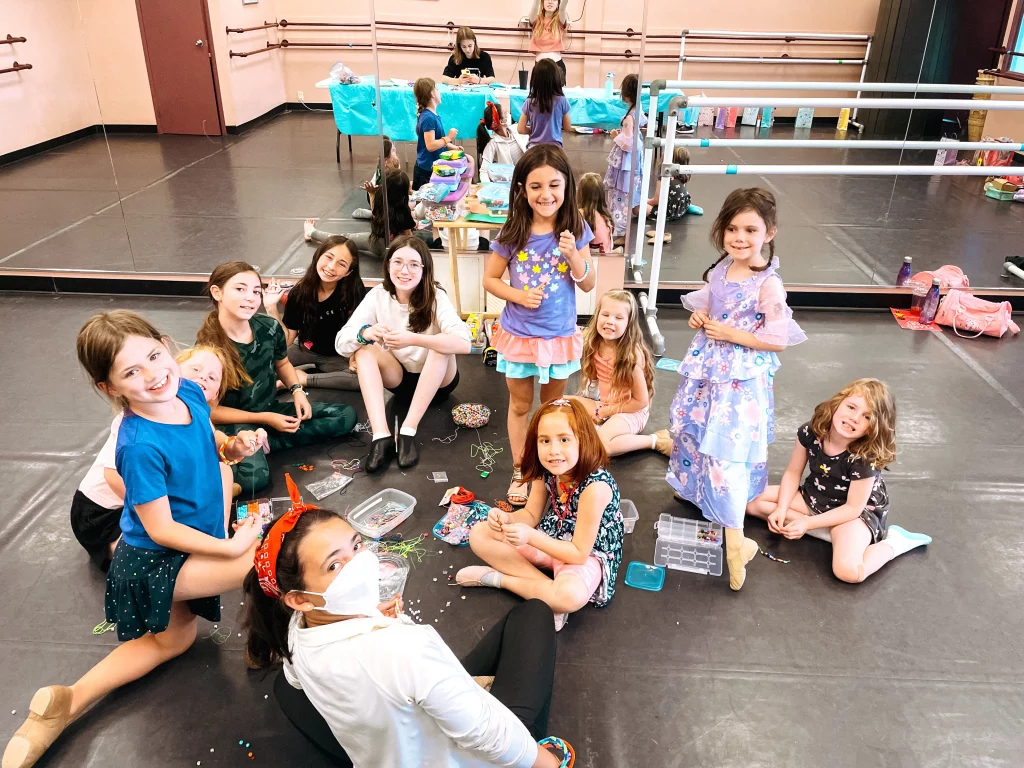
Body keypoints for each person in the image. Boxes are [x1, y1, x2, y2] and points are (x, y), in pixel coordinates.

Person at [3, 311, 266, 768]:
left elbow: (208, 442)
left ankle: (65, 702)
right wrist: (229, 546)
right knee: (262, 558)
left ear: (167, 346)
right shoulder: (139, 445)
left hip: (187, 541)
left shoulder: (186, 389)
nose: (153, 374)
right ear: (111, 388)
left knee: (172, 641)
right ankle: (276, 642)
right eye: (131, 372)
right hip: (155, 559)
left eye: (154, 356)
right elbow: (160, 529)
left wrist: (232, 447)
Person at [240, 497, 574, 768]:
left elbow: (302, 677)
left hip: (390, 751)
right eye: (335, 565)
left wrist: (366, 616)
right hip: (464, 754)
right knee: (535, 613)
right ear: (299, 598)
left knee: (287, 687)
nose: (360, 563)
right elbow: (489, 734)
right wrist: (541, 760)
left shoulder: (296, 632)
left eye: (356, 546)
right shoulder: (404, 649)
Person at [666, 188, 806, 591]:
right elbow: (711, 303)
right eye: (731, 228)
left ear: (770, 231)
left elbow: (778, 338)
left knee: (727, 445)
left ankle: (734, 537)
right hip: (711, 368)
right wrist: (703, 318)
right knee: (697, 431)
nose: (739, 237)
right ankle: (699, 492)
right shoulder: (723, 268)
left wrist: (730, 332)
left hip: (741, 381)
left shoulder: (769, 284)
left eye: (750, 229)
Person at [482, 144, 595, 505]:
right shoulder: (514, 231)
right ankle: (521, 469)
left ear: (567, 187)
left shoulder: (575, 228)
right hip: (519, 337)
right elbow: (490, 279)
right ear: (521, 189)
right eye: (535, 186)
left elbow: (589, 282)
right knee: (519, 405)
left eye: (554, 185)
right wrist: (518, 295)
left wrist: (574, 255)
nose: (545, 194)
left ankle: (552, 469)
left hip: (558, 337)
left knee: (553, 408)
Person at [458, 398, 623, 633]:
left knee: (569, 596)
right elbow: (531, 514)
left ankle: (498, 579)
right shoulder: (546, 471)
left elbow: (578, 553)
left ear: (583, 440)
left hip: (586, 553)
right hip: (551, 537)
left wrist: (530, 538)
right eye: (545, 440)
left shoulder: (595, 488)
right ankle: (547, 592)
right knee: (480, 532)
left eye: (564, 439)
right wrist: (508, 520)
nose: (553, 450)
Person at [746, 378, 931, 582]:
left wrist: (806, 523)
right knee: (751, 501)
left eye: (866, 417)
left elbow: (853, 508)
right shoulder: (811, 431)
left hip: (854, 514)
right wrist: (781, 509)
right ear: (837, 403)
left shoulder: (863, 457)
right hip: (815, 497)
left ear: (872, 428)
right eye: (851, 407)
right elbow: (792, 473)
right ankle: (827, 532)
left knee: (849, 572)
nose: (854, 418)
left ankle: (895, 543)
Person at [197, 262, 357, 493]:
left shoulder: (268, 327)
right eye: (240, 289)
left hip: (270, 409)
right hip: (235, 423)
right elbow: (211, 411)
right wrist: (267, 418)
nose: (251, 298)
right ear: (217, 292)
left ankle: (266, 443)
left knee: (345, 416)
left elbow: (282, 362)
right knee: (255, 480)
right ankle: (254, 446)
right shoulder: (208, 351)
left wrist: (297, 391)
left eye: (255, 291)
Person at [336, 236, 471, 473]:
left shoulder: (436, 296)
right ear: (388, 265)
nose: (404, 270)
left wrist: (414, 339)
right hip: (399, 380)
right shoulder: (378, 294)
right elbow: (341, 343)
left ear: (424, 269)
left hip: (440, 381)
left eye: (413, 264)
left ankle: (408, 430)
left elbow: (464, 342)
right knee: (364, 349)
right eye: (397, 262)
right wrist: (365, 333)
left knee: (441, 344)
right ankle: (381, 436)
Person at [571, 290, 671, 457]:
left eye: (618, 318)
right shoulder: (595, 343)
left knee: (603, 446)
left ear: (628, 324)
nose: (610, 321)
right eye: (605, 314)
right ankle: (601, 429)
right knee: (561, 404)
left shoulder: (631, 357)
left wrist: (607, 412)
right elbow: (596, 378)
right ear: (597, 316)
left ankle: (655, 440)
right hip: (606, 406)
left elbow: (641, 401)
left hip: (631, 411)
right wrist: (597, 408)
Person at [263, 236, 367, 391]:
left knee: (363, 379)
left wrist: (354, 356)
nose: (331, 267)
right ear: (318, 256)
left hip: (337, 356)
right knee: (261, 365)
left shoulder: (354, 291)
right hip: (304, 348)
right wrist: (271, 308)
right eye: (329, 257)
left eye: (341, 264)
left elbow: (359, 329)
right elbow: (288, 340)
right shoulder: (299, 293)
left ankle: (302, 378)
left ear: (348, 272)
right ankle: (295, 377)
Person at [304, 169, 422, 260]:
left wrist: (371, 194)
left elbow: (375, 213)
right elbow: (408, 235)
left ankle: (311, 232)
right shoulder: (404, 209)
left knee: (344, 237)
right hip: (394, 249)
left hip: (376, 243)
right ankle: (311, 233)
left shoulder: (381, 201)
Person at [603, 74, 647, 239]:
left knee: (621, 190)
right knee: (629, 189)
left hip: (627, 160)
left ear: (626, 94)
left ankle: (619, 230)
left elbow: (628, 144)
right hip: (635, 158)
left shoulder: (630, 116)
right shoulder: (639, 110)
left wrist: (615, 135)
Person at [414, 78, 459, 190]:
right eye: (437, 89)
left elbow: (437, 139)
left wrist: (451, 147)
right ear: (432, 93)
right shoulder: (428, 118)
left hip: (433, 167)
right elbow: (430, 145)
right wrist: (448, 138)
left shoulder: (431, 115)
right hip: (426, 171)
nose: (440, 92)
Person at [518, 60, 571, 149]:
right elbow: (567, 127)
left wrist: (535, 130)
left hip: (534, 149)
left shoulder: (530, 102)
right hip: (555, 149)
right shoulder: (562, 101)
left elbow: (520, 129)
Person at [647, 146, 698, 231]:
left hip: (669, 212)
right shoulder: (683, 175)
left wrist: (647, 201)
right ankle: (687, 207)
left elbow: (657, 200)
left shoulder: (663, 177)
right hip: (683, 206)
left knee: (637, 208)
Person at [352, 134, 399, 219]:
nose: (395, 151)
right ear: (386, 158)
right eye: (393, 150)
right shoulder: (385, 169)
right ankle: (371, 214)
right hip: (375, 194)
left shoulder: (393, 162)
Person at [478, 100, 525, 182]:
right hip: (511, 184)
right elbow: (483, 171)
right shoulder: (493, 143)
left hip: (527, 176)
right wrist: (487, 188)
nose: (507, 112)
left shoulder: (517, 129)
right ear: (501, 121)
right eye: (504, 112)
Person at [529, 0, 569, 83]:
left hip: (557, 67)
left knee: (556, 95)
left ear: (558, 3)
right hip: (539, 68)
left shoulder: (560, 20)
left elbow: (562, 8)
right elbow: (535, 7)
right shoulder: (536, 19)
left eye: (554, 0)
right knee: (538, 95)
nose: (550, 2)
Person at [577, 172, 613, 253]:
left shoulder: (578, 215)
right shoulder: (606, 216)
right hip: (606, 257)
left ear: (581, 193)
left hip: (588, 261)